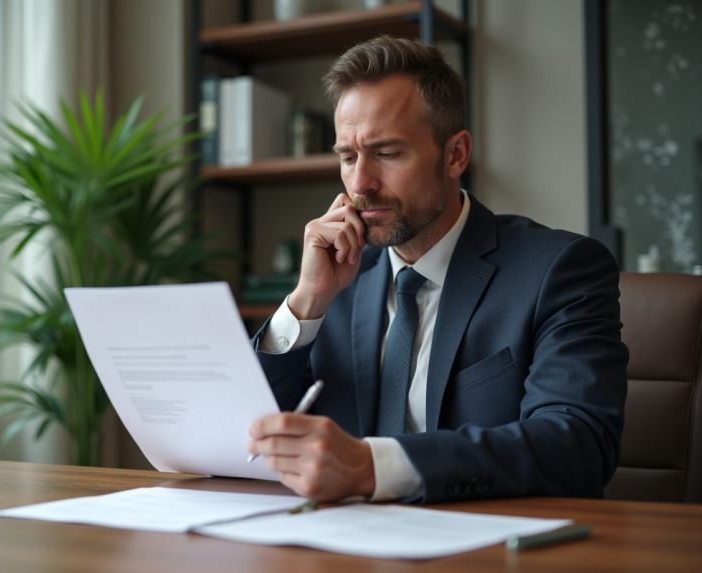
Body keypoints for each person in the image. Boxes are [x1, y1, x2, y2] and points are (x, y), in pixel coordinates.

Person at [245, 36, 628, 504]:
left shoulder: (559, 269)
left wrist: (373, 467)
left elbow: (579, 446)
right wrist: (305, 303)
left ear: (455, 155)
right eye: (348, 157)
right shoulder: (334, 276)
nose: (360, 183)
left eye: (387, 153)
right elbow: (244, 434)